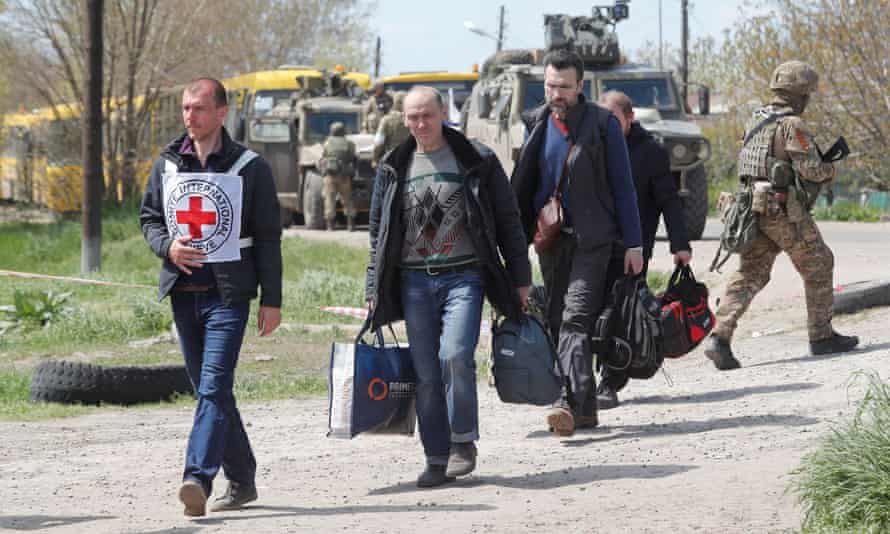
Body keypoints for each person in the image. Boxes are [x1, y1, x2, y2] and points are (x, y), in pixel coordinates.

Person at [365, 86, 531, 488]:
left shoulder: (476, 160)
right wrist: (373, 287)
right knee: (425, 373)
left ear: (443, 115)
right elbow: (378, 234)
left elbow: (508, 221)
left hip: (464, 276)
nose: (420, 124)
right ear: (404, 120)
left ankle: (462, 443)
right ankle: (436, 458)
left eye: (427, 116)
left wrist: (521, 277)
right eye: (413, 117)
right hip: (414, 281)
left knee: (455, 355)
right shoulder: (393, 165)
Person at [139, 78, 282, 517]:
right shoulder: (167, 163)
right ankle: (242, 478)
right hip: (184, 294)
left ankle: (197, 477)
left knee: (213, 387)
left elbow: (268, 238)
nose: (190, 116)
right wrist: (168, 247)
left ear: (222, 113)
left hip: (229, 295)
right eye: (185, 108)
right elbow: (149, 219)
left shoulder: (249, 166)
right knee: (211, 391)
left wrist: (271, 299)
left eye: (199, 108)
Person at [511, 49, 643, 437]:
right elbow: (525, 184)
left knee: (575, 318)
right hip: (550, 241)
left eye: (564, 87)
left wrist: (634, 243)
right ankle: (585, 410)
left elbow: (624, 187)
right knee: (555, 320)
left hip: (593, 241)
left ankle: (565, 399)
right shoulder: (535, 122)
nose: (556, 93)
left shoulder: (603, 125)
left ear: (581, 86)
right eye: (550, 85)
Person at [704, 60, 858, 370]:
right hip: (781, 211)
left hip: (751, 210)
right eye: (807, 94)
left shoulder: (756, 120)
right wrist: (830, 168)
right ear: (799, 94)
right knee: (818, 263)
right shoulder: (792, 125)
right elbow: (811, 169)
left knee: (751, 272)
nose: (809, 100)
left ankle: (719, 336)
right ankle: (821, 336)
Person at [596, 90, 692, 408]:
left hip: (632, 250)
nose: (607, 126)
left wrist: (680, 245)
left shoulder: (649, 152)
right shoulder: (594, 145)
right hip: (593, 246)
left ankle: (610, 381)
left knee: (621, 316)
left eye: (614, 119)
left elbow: (669, 200)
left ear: (630, 117)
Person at [320, 121, 357, 231]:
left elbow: (323, 156)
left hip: (330, 175)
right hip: (344, 176)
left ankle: (330, 226)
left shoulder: (327, 143)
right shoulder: (349, 143)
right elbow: (353, 157)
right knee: (347, 200)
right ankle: (350, 225)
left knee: (329, 199)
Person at [372, 91, 411, 167]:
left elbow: (378, 142)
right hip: (410, 159)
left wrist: (374, 160)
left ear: (394, 102)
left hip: (392, 159)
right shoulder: (413, 120)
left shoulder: (386, 120)